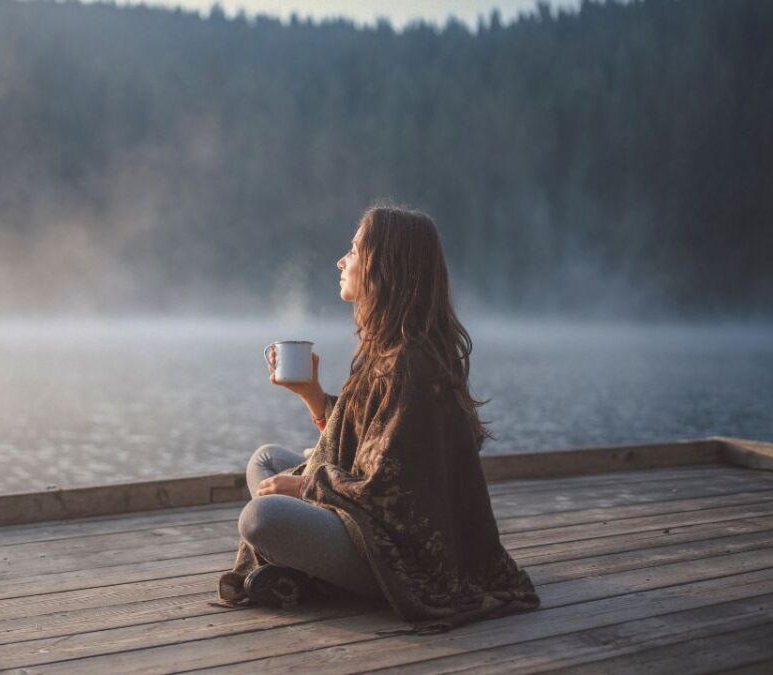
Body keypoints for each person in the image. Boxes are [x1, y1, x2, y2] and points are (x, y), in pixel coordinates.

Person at [215, 202, 541, 635]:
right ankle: (298, 569)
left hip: (406, 557)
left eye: (352, 250)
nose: (341, 260)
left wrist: (307, 485)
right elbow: (365, 442)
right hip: (369, 521)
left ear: (382, 266)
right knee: (267, 460)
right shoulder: (388, 349)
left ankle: (308, 573)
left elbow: (390, 491)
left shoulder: (411, 363)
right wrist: (312, 395)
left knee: (262, 519)